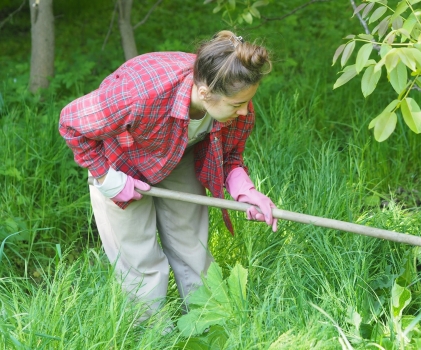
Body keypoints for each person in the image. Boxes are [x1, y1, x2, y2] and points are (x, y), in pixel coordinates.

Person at [59, 30, 278, 324]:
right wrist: (108, 180)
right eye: (236, 106)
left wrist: (246, 191)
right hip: (121, 160)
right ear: (204, 93)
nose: (244, 112)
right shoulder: (140, 95)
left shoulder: (236, 102)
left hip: (180, 153)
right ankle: (151, 333)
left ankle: (207, 325)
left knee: (192, 245)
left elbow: (229, 157)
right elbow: (72, 123)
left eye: (245, 104)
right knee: (139, 259)